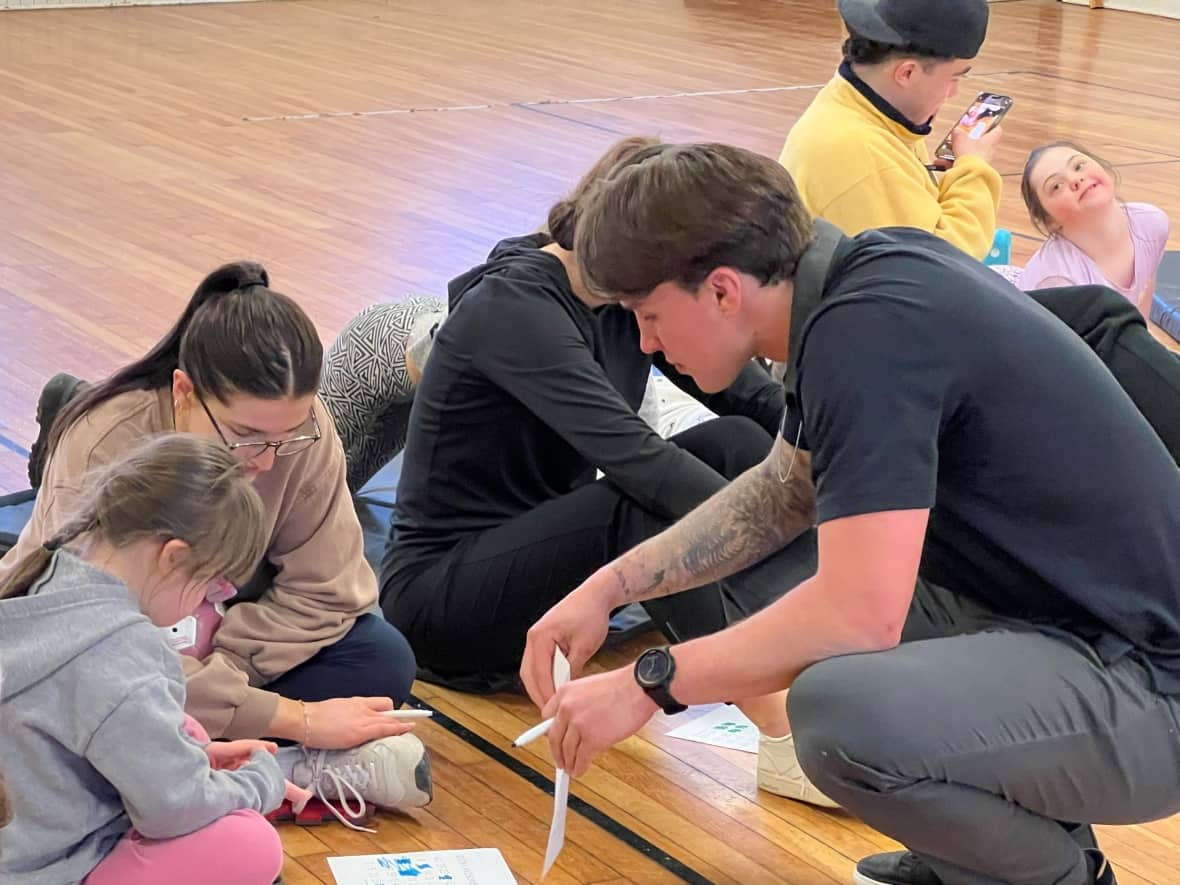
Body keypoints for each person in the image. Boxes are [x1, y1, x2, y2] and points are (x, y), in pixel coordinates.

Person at [522, 141, 1180, 885]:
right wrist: (612, 586)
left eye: (648, 314)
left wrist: (649, 680)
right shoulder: (860, 280)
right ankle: (976, 861)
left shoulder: (866, 336)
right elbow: (782, 491)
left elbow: (858, 616)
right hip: (1093, 631)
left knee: (838, 713)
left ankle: (1057, 877)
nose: (646, 342)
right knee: (793, 601)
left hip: (1155, 687)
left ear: (723, 291)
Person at [382, 137, 828, 805]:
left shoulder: (620, 300)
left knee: (737, 442)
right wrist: (772, 524)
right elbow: (640, 462)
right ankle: (776, 722)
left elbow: (753, 401)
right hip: (443, 598)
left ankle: (818, 644)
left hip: (541, 566)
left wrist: (843, 468)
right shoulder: (515, 308)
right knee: (642, 505)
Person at [4, 262, 431, 815]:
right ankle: (275, 767)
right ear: (183, 393)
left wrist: (226, 673)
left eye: (288, 435)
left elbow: (329, 590)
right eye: (246, 436)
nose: (268, 460)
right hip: (116, 646)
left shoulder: (307, 435)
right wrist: (291, 718)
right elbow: (87, 645)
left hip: (219, 637)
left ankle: (200, 763)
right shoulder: (107, 443)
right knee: (72, 717)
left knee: (382, 661)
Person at [0, 434, 290, 885]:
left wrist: (195, 757)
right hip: (42, 867)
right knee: (250, 843)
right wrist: (262, 782)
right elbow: (174, 811)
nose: (210, 601)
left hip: (23, 837)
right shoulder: (122, 651)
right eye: (212, 586)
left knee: (187, 729)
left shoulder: (45, 578)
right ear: (174, 557)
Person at [780, 0, 1002, 260]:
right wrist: (974, 169)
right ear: (907, 73)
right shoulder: (857, 151)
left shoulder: (865, 107)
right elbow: (945, 263)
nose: (954, 93)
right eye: (954, 78)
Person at [1018, 141, 1172, 319]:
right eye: (1056, 186)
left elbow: (1144, 290)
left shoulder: (1152, 223)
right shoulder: (1058, 281)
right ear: (1049, 222)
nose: (1076, 179)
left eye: (1078, 166)